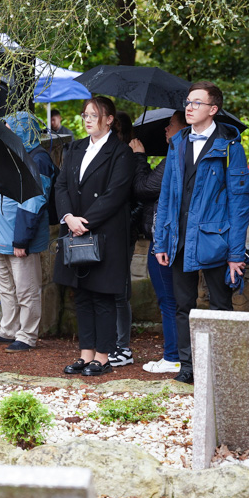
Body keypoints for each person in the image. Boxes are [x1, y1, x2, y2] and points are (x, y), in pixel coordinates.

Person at [154, 82, 249, 385]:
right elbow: (167, 195)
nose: (190, 107)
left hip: (215, 241)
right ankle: (188, 366)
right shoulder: (178, 142)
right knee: (184, 305)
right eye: (188, 102)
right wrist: (161, 240)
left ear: (213, 109)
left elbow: (239, 203)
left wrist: (236, 254)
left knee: (220, 307)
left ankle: (220, 367)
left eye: (197, 102)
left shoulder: (229, 146)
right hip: (179, 240)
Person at [56, 96, 136, 377]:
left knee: (102, 296)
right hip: (75, 231)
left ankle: (102, 357)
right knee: (82, 296)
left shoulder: (121, 153)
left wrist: (85, 222)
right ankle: (85, 354)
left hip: (104, 234)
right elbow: (61, 185)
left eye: (94, 115)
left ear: (110, 119)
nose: (87, 119)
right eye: (84, 115)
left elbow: (116, 195)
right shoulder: (75, 148)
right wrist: (68, 218)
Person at [0, 112, 55, 353]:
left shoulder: (38, 159)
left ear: (23, 130)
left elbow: (34, 201)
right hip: (0, 236)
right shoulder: (12, 155)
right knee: (5, 287)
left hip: (19, 238)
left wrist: (22, 239)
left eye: (9, 129)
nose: (5, 133)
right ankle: (9, 329)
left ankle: (27, 334)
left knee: (26, 289)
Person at [133, 110, 188, 373]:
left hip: (165, 240)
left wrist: (139, 157)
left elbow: (144, 187)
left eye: (171, 125)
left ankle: (173, 356)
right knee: (175, 300)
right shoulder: (183, 154)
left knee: (169, 300)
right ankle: (178, 354)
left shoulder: (176, 157)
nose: (166, 129)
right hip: (172, 239)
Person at [107, 110, 141, 367]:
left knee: (120, 290)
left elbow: (138, 195)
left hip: (124, 230)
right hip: (105, 229)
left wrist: (125, 224)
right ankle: (110, 343)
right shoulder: (107, 153)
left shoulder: (130, 154)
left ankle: (122, 346)